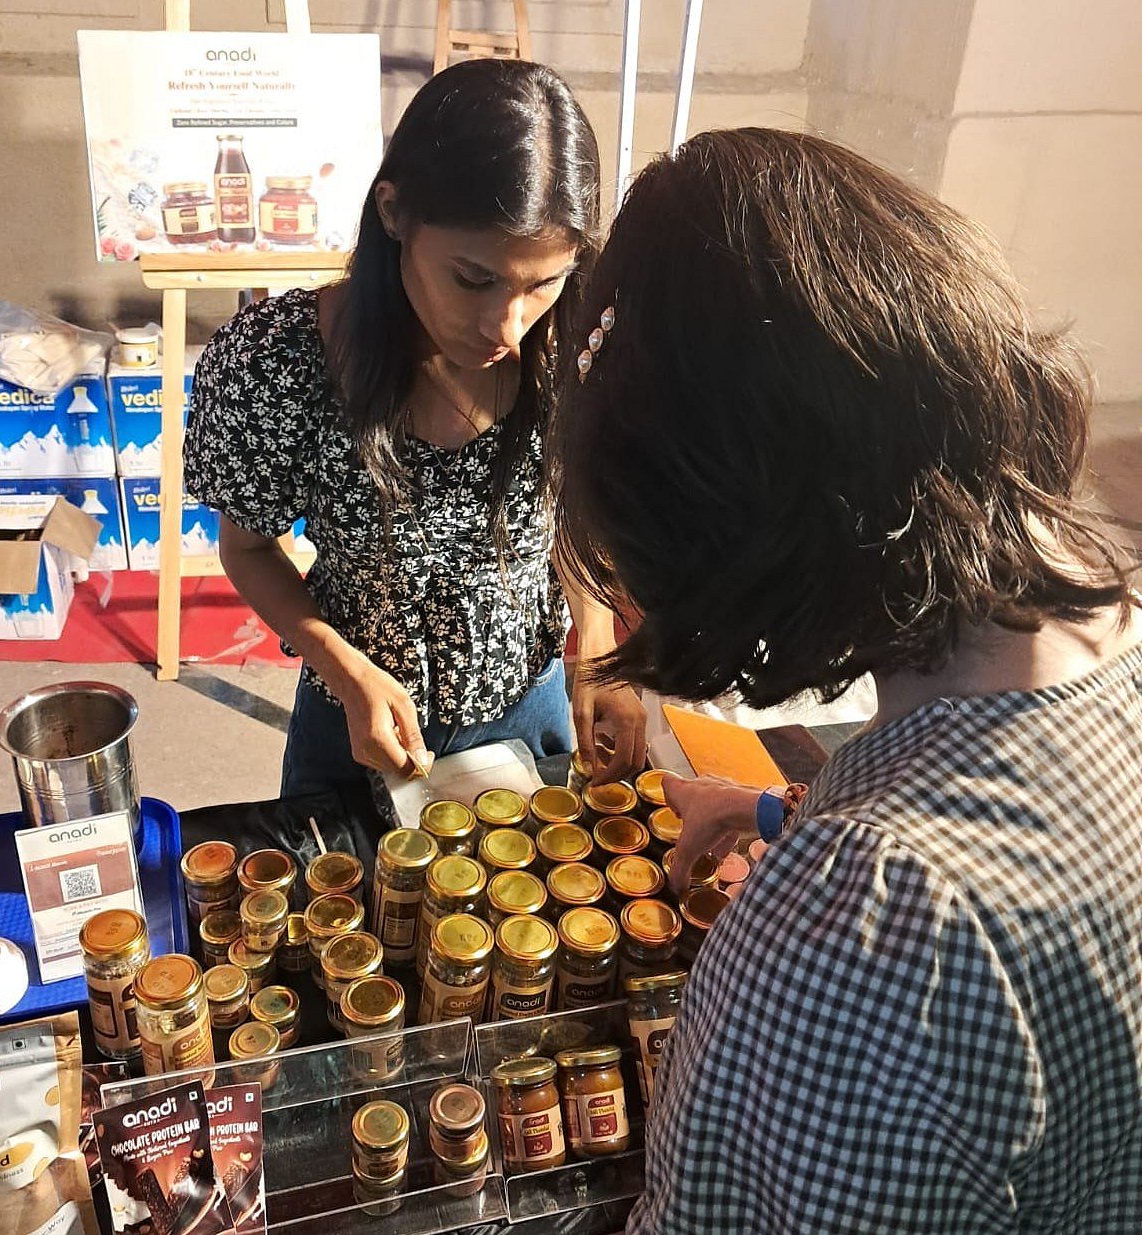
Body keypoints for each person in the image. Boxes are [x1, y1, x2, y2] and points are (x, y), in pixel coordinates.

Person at [552, 128, 1142, 1232]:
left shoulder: (870, 936)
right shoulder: (1114, 645)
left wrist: (827, 871)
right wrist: (792, 805)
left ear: (728, 530)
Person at [184, 59, 646, 831]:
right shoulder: (278, 362)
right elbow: (251, 550)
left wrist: (597, 645)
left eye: (542, 283)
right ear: (394, 212)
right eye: (473, 279)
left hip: (527, 707)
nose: (507, 327)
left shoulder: (572, 342)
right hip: (355, 717)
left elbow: (573, 512)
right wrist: (347, 669)